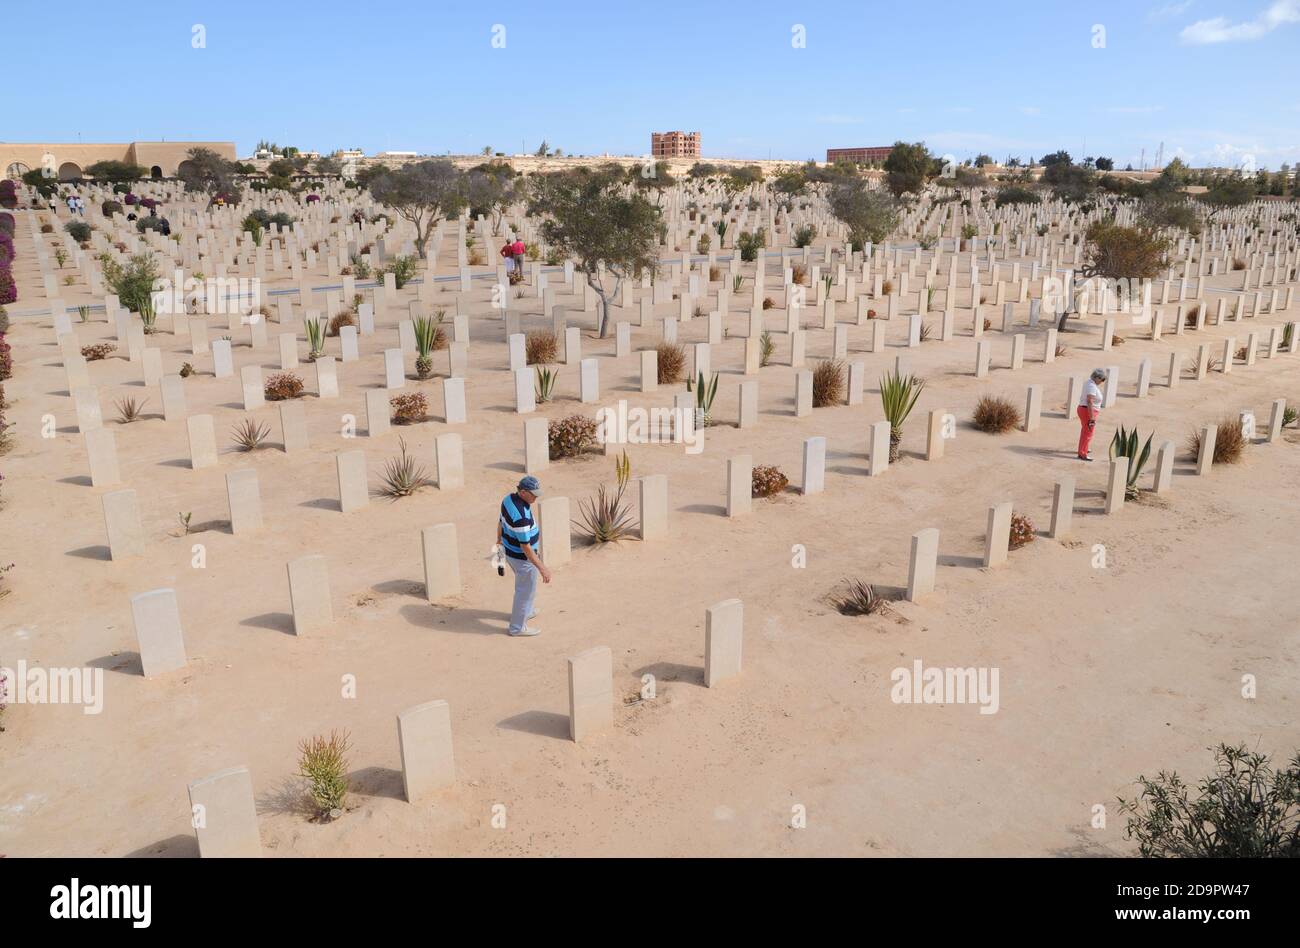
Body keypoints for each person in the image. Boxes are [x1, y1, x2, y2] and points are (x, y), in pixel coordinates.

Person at [496, 475, 550, 637]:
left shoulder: (507, 499)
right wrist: (542, 568)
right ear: (523, 492)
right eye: (533, 494)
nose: (536, 497)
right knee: (524, 591)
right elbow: (525, 547)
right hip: (522, 558)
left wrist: (499, 541)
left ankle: (526, 611)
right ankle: (517, 628)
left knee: (527, 589)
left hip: (510, 550)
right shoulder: (521, 518)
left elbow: (500, 522)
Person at [1077, 368, 1107, 461]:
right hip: (1087, 411)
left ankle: (1083, 448)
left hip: (1085, 410)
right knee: (1088, 432)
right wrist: (1092, 417)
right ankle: (1082, 453)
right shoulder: (1092, 386)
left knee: (1085, 431)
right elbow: (1089, 401)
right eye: (1102, 379)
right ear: (1097, 378)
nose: (1102, 382)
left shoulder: (1090, 383)